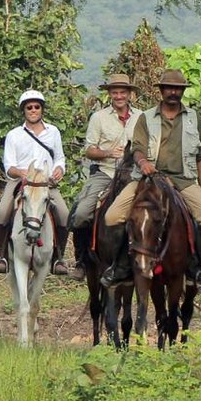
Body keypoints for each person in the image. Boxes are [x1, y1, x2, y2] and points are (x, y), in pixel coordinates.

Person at [100, 69, 201, 288]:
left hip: (183, 179)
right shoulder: (146, 117)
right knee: (112, 216)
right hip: (148, 178)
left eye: (177, 89)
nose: (173, 92)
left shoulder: (193, 118)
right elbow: (137, 148)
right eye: (169, 88)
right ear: (161, 91)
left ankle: (197, 267)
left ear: (182, 92)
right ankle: (121, 265)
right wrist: (143, 163)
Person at [69, 73, 144, 279]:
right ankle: (82, 260)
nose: (119, 96)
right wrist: (108, 153)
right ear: (109, 94)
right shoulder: (99, 117)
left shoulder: (141, 117)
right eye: (115, 92)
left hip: (134, 175)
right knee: (82, 213)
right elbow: (89, 150)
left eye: (123, 92)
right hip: (105, 172)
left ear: (130, 94)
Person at [0, 89, 72, 275]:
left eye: (37, 107)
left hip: (45, 183)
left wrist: (59, 169)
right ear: (24, 110)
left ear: (42, 109)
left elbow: (59, 158)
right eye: (29, 107)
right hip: (21, 182)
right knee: (2, 213)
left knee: (65, 214)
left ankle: (59, 257)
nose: (33, 110)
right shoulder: (14, 135)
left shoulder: (53, 132)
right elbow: (9, 165)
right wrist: (21, 172)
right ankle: (1, 256)